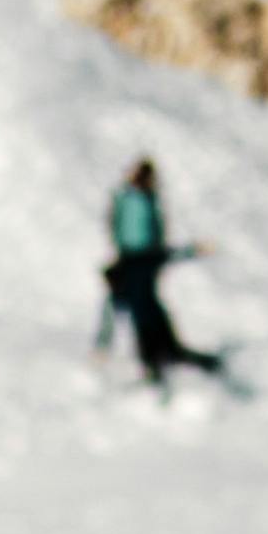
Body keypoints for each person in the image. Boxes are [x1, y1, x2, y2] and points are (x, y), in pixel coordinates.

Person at [100, 156, 219, 392]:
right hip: (132, 257)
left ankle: (166, 352)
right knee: (142, 309)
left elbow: (147, 230)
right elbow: (120, 227)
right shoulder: (129, 199)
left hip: (146, 257)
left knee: (149, 307)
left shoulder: (144, 199)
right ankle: (154, 358)